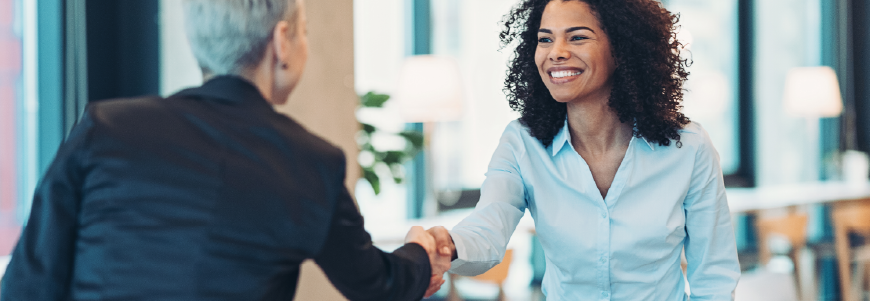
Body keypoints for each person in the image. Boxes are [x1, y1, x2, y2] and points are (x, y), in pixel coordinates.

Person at [1, 0, 449, 300]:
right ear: (281, 43)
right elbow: (374, 283)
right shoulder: (310, 162)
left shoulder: (103, 128)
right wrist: (418, 253)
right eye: (305, 31)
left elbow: (27, 284)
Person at [424, 0, 740, 300]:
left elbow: (713, 276)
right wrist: (446, 247)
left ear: (621, 48)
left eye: (577, 37)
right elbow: (488, 230)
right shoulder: (522, 143)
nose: (556, 53)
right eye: (545, 40)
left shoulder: (688, 147)